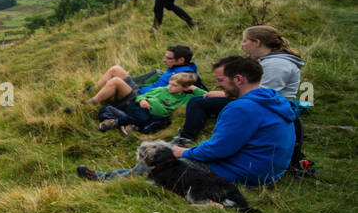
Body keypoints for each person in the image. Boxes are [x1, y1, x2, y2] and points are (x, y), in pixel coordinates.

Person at [78, 56, 294, 186]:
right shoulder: (273, 99)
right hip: (269, 171)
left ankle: (106, 178)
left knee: (162, 158)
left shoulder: (241, 107)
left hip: (246, 174)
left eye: (221, 81)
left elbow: (217, 151)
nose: (218, 87)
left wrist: (183, 152)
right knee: (171, 150)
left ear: (239, 79)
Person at [172, 25, 308, 173]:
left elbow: (219, 149)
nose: (242, 45)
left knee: (198, 104)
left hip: (248, 171)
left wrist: (185, 153)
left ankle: (185, 139)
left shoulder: (276, 66)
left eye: (244, 41)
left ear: (257, 42)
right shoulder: (269, 62)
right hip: (266, 166)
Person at [70, 45, 197, 112]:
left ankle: (88, 105)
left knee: (115, 82)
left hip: (142, 99)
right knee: (116, 69)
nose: (164, 60)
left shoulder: (186, 77)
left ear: (181, 60)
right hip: (141, 91)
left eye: (168, 58)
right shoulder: (176, 69)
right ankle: (90, 92)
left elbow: (199, 92)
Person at [97, 72, 205, 134]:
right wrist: (143, 101)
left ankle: (122, 121)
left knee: (160, 122)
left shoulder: (187, 98)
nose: (170, 87)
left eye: (174, 85)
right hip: (141, 107)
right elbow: (141, 96)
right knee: (142, 117)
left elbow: (206, 95)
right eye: (169, 83)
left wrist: (193, 87)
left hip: (154, 116)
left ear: (185, 88)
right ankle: (116, 122)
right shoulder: (162, 89)